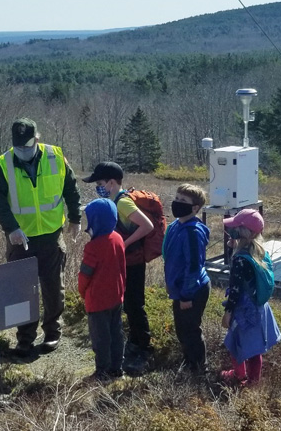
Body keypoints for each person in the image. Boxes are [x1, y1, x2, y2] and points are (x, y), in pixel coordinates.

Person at [0, 118, 81, 356]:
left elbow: (70, 188)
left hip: (51, 236)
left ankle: (52, 333)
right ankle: (25, 338)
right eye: (19, 147)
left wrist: (75, 218)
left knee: (53, 288)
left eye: (27, 146)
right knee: (21, 290)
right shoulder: (2, 165)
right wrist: (11, 228)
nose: (23, 151)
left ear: (37, 140)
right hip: (21, 239)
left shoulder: (55, 156)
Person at [83, 162, 155, 370]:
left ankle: (143, 347)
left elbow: (147, 226)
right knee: (128, 304)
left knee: (135, 305)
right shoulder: (113, 201)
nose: (98, 187)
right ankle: (134, 343)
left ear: (112, 182)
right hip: (126, 262)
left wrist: (124, 244)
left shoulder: (122, 203)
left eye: (100, 183)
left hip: (134, 262)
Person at [220, 209, 281, 387]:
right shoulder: (259, 252)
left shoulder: (240, 260)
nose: (231, 230)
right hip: (258, 307)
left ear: (245, 232)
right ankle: (254, 381)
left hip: (242, 309)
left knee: (235, 343)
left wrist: (228, 312)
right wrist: (237, 246)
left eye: (235, 228)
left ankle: (239, 375)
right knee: (255, 348)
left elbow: (236, 289)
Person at [163, 184, 211, 375]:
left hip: (192, 290)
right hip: (180, 289)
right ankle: (189, 362)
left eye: (183, 201)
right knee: (182, 329)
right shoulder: (176, 225)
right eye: (177, 198)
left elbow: (193, 267)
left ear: (195, 208)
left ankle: (199, 369)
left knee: (191, 330)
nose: (177, 203)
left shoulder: (192, 232)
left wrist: (186, 295)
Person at [78, 198, 127, 382]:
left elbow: (84, 276)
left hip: (97, 302)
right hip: (116, 297)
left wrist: (82, 292)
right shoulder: (118, 238)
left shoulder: (93, 247)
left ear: (96, 221)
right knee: (116, 334)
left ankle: (102, 373)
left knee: (101, 339)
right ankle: (116, 370)